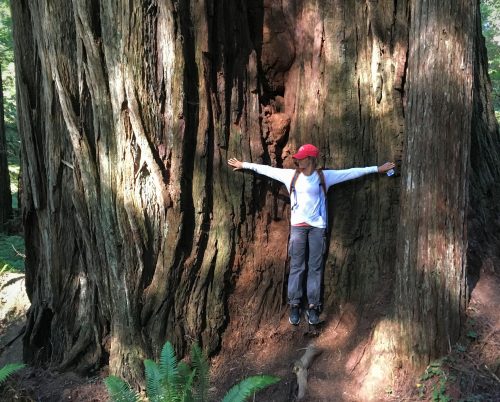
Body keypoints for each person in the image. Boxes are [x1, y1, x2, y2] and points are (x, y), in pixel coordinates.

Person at [228, 144, 395, 325]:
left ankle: (313, 307)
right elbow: (267, 170)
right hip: (298, 228)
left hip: (317, 228)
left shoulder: (324, 176)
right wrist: (244, 165)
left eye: (302, 157)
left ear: (311, 159)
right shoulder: (290, 175)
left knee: (315, 268)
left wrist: (377, 169)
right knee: (297, 267)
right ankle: (294, 305)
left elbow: (351, 172)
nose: (298, 160)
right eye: (298, 157)